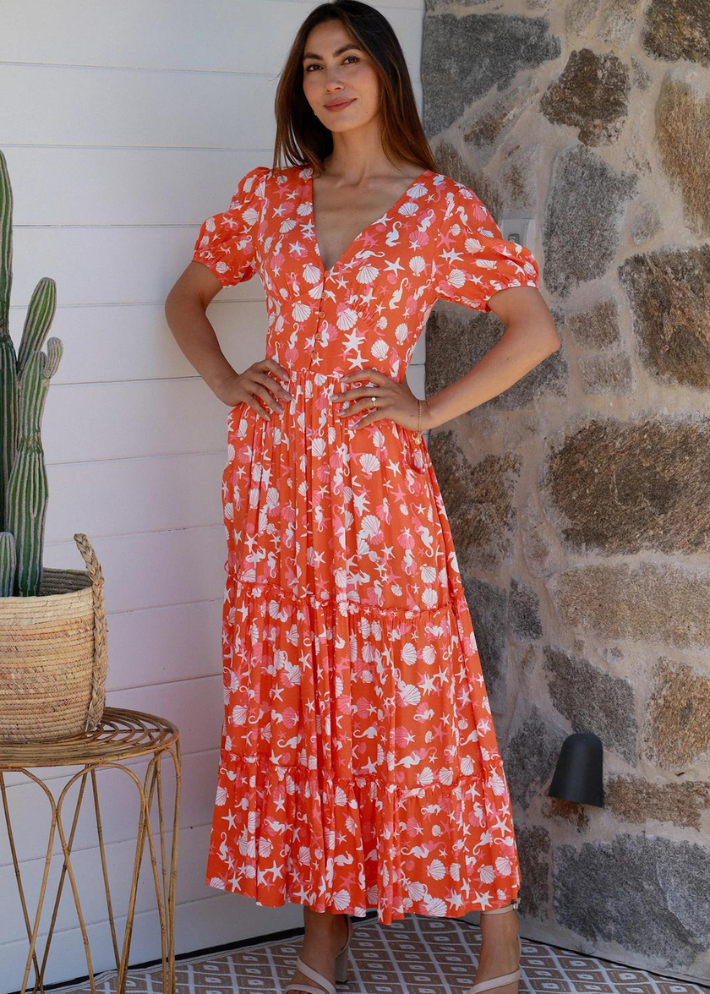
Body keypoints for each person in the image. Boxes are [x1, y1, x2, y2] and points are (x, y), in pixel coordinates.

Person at [165, 2, 560, 993]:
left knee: (425, 704)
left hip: (381, 496)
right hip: (281, 495)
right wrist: (225, 379)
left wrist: (424, 410)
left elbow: (530, 328)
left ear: (383, 71)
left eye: (349, 59)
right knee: (311, 706)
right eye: (311, 66)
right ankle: (322, 942)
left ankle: (496, 940)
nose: (330, 79)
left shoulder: (433, 207)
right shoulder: (269, 198)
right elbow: (186, 296)